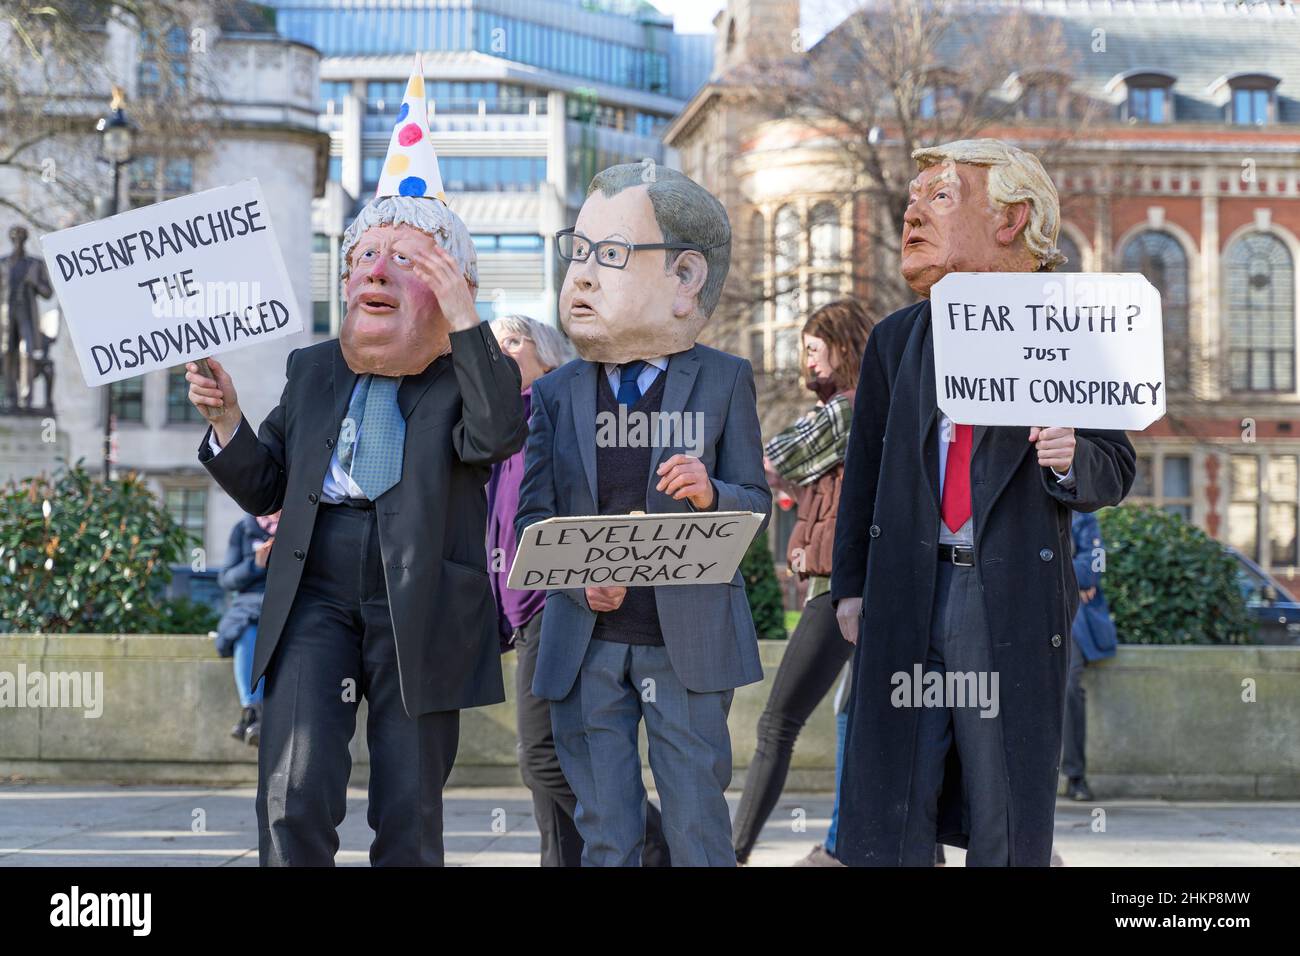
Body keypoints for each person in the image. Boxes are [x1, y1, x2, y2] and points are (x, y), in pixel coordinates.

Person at [185, 58, 527, 866]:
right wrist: (229, 421)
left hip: (421, 595)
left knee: (409, 813)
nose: (373, 270)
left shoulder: (469, 371)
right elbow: (271, 484)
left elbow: (496, 437)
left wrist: (468, 320)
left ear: (450, 287)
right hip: (315, 582)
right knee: (293, 790)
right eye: (363, 258)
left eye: (405, 261)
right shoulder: (313, 369)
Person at [830, 138, 1136, 866]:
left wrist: (1071, 459)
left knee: (1002, 805)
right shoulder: (896, 340)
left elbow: (1115, 467)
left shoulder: (1069, 325)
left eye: (940, 195)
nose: (911, 211)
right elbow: (864, 473)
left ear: (1011, 219)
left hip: (1005, 596)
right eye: (913, 196)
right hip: (907, 591)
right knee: (897, 799)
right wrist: (849, 589)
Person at [516, 163, 770, 866]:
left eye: (614, 254)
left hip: (686, 643)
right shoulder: (559, 392)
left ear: (686, 279)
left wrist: (713, 492)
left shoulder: (725, 380)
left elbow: (758, 504)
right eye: (582, 252)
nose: (586, 276)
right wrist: (575, 580)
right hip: (586, 645)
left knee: (696, 828)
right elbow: (532, 518)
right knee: (607, 835)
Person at [486, 314, 673, 868]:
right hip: (520, 610)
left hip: (559, 598)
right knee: (554, 763)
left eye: (513, 341)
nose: (499, 351)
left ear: (549, 359)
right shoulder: (496, 428)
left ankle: (657, 844)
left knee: (543, 758)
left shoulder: (563, 413)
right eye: (491, 344)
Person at [731, 298, 874, 866]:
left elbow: (775, 456)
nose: (806, 364)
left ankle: (732, 850)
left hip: (841, 590)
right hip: (846, 583)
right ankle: (854, 846)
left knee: (778, 722)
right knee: (857, 719)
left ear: (842, 348)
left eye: (814, 351)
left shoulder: (845, 411)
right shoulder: (861, 410)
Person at [1063, 509, 1118, 802]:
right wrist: (1071, 577)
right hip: (1020, 612)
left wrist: (1057, 573)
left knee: (1069, 684)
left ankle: (1076, 775)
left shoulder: (1082, 512)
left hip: (1067, 616)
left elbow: (1091, 567)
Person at [213, 511, 279, 746]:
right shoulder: (244, 528)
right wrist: (256, 565)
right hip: (250, 606)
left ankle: (252, 718)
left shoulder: (303, 521)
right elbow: (226, 580)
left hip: (289, 602)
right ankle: (253, 710)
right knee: (245, 631)